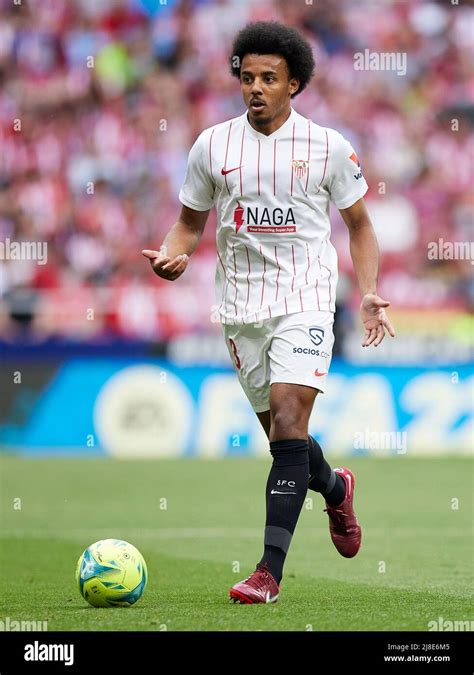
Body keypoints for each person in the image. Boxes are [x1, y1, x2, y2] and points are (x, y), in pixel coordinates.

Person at [142, 21, 395, 604]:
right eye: (247, 76)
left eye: (269, 78)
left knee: (287, 417)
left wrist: (370, 289)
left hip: (306, 298)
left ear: (294, 84)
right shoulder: (212, 145)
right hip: (240, 309)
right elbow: (188, 223)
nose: (254, 87)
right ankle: (335, 487)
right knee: (289, 441)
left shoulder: (328, 147)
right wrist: (173, 256)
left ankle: (267, 573)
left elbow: (360, 226)